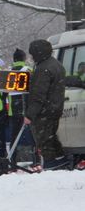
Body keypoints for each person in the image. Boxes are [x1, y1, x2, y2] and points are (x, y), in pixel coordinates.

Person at [24, 39, 68, 170]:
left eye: (32, 54)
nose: (31, 57)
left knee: (43, 139)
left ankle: (51, 165)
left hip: (44, 111)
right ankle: (61, 160)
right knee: (51, 135)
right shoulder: (57, 65)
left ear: (38, 53)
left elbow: (38, 95)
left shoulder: (43, 69)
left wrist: (30, 114)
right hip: (55, 108)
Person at [8, 48, 35, 164]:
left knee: (14, 135)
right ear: (24, 58)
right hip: (26, 108)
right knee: (32, 135)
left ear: (14, 59)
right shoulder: (28, 70)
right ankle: (35, 159)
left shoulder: (8, 72)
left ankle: (12, 160)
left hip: (13, 109)